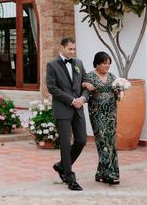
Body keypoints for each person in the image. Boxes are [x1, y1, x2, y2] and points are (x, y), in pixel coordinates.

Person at [46, 36, 89, 191]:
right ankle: (70, 178)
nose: (72, 51)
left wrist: (83, 98)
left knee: (82, 140)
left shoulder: (78, 63)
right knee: (65, 144)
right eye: (70, 49)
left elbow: (86, 82)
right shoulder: (52, 65)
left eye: (74, 49)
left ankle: (61, 165)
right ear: (62, 47)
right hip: (63, 109)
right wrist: (72, 100)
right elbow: (52, 88)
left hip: (78, 109)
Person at [82, 51, 120, 185]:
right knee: (102, 141)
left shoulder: (112, 77)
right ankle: (108, 173)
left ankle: (101, 172)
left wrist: (120, 92)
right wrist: (84, 84)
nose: (107, 66)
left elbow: (117, 95)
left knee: (111, 141)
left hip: (111, 113)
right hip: (97, 114)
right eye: (104, 63)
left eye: (109, 63)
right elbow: (81, 89)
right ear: (97, 63)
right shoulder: (90, 76)